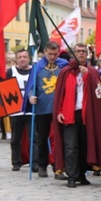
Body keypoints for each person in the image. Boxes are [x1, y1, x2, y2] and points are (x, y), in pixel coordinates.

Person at [52, 43, 101, 188]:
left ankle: (82, 174)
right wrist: (59, 111)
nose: (81, 53)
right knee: (71, 146)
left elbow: (98, 92)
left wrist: (87, 76)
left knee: (84, 145)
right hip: (70, 113)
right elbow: (60, 95)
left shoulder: (92, 72)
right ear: (73, 53)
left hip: (87, 114)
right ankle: (71, 175)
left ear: (87, 54)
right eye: (78, 51)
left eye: (83, 51)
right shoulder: (65, 72)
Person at [24, 41, 69, 178]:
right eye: (50, 54)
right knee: (42, 138)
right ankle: (42, 165)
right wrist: (31, 96)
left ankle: (58, 167)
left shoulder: (63, 65)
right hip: (42, 107)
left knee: (59, 138)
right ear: (45, 52)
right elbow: (31, 85)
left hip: (58, 108)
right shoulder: (38, 66)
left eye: (55, 54)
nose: (52, 57)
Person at [6, 49, 32, 171]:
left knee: (33, 137)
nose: (22, 59)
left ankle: (35, 161)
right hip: (16, 109)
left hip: (31, 108)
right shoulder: (11, 72)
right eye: (20, 57)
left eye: (25, 57)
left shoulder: (34, 71)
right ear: (16, 59)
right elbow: (5, 91)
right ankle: (16, 162)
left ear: (29, 58)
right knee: (16, 138)